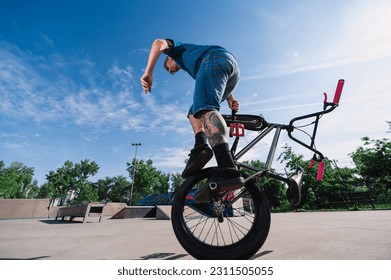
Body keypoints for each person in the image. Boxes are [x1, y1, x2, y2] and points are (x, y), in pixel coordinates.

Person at [140, 38, 244, 195]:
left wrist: (148, 73)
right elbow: (217, 76)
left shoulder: (176, 51)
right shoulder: (193, 60)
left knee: (205, 108)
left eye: (169, 69)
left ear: (169, 58)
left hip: (214, 60)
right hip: (231, 69)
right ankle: (200, 147)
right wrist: (230, 98)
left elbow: (157, 43)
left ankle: (227, 168)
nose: (171, 71)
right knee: (194, 111)